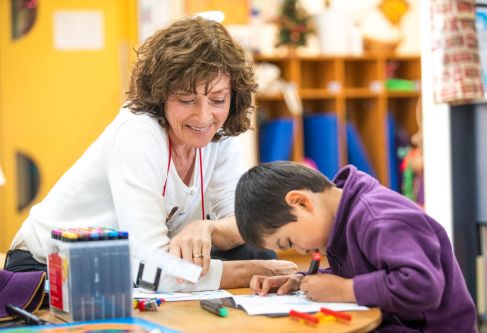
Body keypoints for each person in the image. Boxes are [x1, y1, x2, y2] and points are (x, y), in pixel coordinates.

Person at [5, 16, 297, 291]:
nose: (204, 116)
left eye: (218, 99)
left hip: (122, 263)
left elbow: (243, 221)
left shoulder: (218, 131)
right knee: (252, 264)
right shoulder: (138, 133)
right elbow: (149, 267)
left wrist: (207, 228)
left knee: (253, 251)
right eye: (186, 99)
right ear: (160, 94)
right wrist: (250, 272)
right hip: (46, 266)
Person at [234, 161, 477, 332]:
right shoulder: (341, 221)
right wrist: (300, 280)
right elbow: (369, 273)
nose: (299, 250)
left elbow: (423, 285)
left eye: (289, 241)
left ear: (301, 202)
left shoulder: (378, 219)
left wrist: (345, 290)